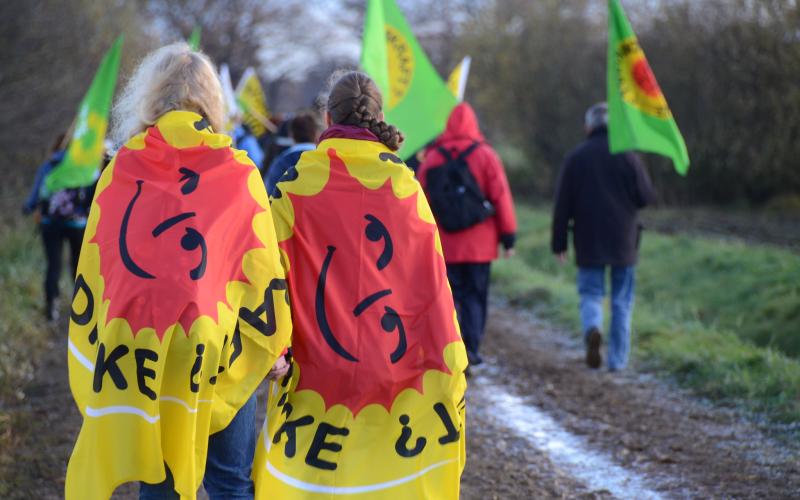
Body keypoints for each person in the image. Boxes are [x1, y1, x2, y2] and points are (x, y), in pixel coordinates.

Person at [64, 43, 292, 500]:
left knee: (160, 477)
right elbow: (262, 267)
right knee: (230, 480)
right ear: (212, 100)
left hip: (145, 349)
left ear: (149, 95)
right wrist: (276, 343)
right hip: (219, 344)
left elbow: (98, 261)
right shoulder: (239, 169)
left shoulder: (122, 167)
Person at [253, 71, 467, 498]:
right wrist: (446, 362)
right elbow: (432, 286)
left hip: (315, 369)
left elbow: (266, 274)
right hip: (394, 368)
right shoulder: (407, 187)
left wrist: (273, 349)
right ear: (379, 117)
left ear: (327, 117)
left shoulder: (294, 185)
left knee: (311, 484)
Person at [551, 102, 656, 371]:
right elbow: (646, 198)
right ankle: (617, 362)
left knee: (590, 293)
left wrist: (559, 242)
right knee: (622, 300)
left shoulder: (576, 157)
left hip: (588, 238)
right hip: (624, 239)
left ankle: (593, 328)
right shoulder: (629, 157)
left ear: (589, 126)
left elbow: (562, 204)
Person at [417, 102, 517, 368]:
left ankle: (449, 350)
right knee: (475, 297)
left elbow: (419, 202)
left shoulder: (433, 158)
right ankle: (471, 349)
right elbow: (501, 196)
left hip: (444, 244)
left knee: (448, 299)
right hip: (479, 246)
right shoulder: (486, 156)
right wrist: (509, 236)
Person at [22, 133, 94, 320]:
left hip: (50, 222)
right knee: (78, 266)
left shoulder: (50, 165)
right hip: (77, 223)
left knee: (53, 264)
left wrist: (29, 207)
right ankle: (81, 306)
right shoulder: (83, 167)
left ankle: (51, 307)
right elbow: (90, 192)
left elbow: (38, 190)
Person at [264, 112, 320, 196]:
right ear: (316, 133)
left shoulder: (280, 163)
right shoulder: (326, 160)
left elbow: (269, 194)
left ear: (291, 134)